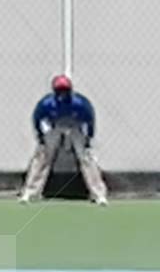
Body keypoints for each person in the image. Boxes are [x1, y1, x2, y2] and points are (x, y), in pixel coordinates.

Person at [19, 74, 108, 204]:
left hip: (75, 125)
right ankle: (30, 192)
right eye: (59, 91)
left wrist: (88, 138)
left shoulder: (80, 104)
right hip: (55, 125)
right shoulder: (46, 103)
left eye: (65, 91)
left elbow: (89, 121)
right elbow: (37, 119)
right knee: (43, 156)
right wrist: (41, 137)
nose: (62, 95)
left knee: (86, 157)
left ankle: (99, 194)